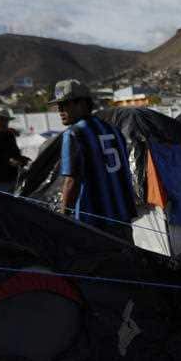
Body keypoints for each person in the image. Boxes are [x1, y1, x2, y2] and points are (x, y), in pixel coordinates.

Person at [51, 79, 136, 242]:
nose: (60, 110)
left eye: (65, 104)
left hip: (94, 221)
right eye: (58, 106)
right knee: (127, 262)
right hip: (122, 214)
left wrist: (64, 215)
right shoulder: (114, 130)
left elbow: (71, 181)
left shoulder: (74, 134)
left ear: (82, 103)